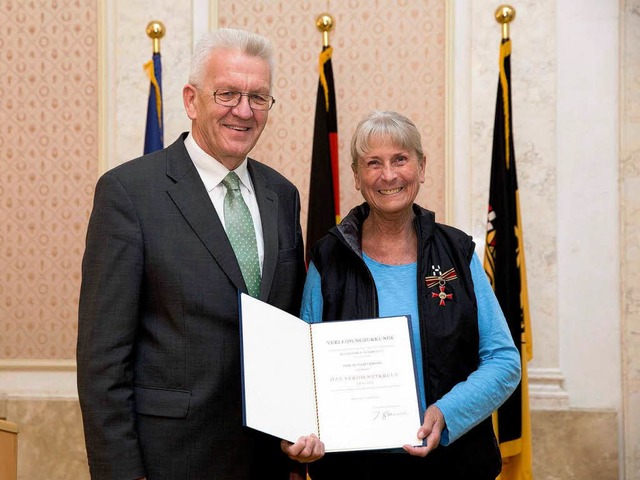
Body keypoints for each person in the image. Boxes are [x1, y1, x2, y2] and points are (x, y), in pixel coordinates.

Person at [77, 28, 323, 480]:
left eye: (259, 97)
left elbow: (288, 327)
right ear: (192, 100)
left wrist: (300, 433)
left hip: (264, 460)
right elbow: (102, 362)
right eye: (227, 93)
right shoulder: (130, 193)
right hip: (169, 459)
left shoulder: (282, 195)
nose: (244, 111)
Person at [301, 110, 521, 479]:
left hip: (455, 463)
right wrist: (303, 432)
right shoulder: (328, 258)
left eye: (400, 159)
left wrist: (445, 413)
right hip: (355, 469)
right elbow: (304, 369)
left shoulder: (458, 252)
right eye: (373, 163)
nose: (388, 175)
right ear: (356, 176)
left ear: (421, 167)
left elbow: (503, 360)